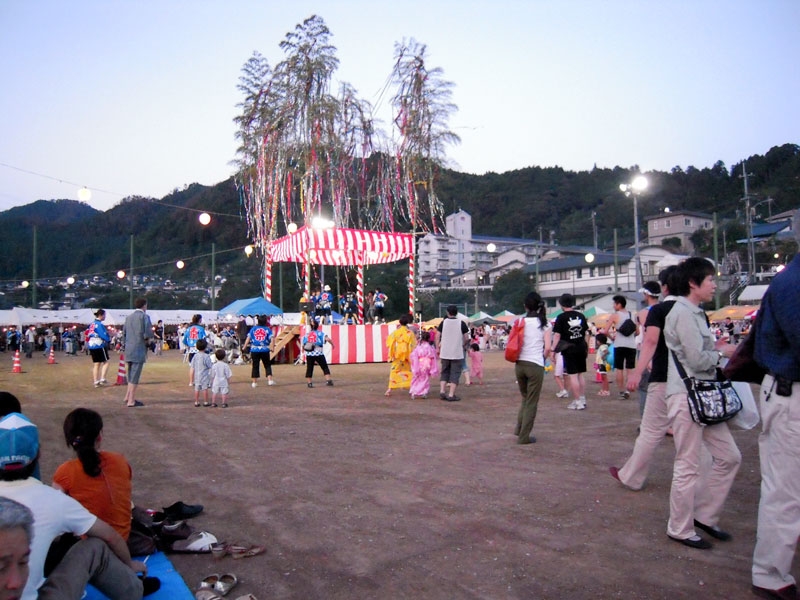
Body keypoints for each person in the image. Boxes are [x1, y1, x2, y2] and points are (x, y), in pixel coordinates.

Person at [0, 413, 154, 600]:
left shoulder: (64, 476)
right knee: (91, 545)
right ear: (37, 454)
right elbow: (110, 536)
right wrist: (128, 564)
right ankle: (133, 589)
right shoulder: (55, 500)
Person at [663, 257, 740, 550]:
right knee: (688, 463)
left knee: (730, 457)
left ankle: (705, 515)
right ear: (693, 283)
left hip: (701, 396)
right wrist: (720, 353)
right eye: (710, 280)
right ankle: (679, 527)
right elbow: (696, 359)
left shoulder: (694, 312)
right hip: (687, 396)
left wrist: (716, 351)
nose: (714, 285)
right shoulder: (683, 314)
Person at [751, 210, 800, 600]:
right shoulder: (793, 283)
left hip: (785, 391)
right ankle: (770, 572)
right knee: (785, 490)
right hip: (789, 394)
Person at [610, 268, 679, 491]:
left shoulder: (655, 312)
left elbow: (649, 342)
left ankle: (632, 476)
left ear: (665, 287)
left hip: (662, 371)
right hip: (689, 378)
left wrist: (639, 371)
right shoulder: (695, 311)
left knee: (649, 430)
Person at [52, 408, 133, 544]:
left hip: (90, 545)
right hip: (124, 539)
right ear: (99, 436)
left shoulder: (65, 471)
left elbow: (55, 511)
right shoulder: (120, 460)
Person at [513, 291, 551, 444]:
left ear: (525, 306)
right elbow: (547, 347)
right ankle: (524, 436)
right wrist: (543, 358)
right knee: (532, 401)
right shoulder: (545, 324)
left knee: (525, 398)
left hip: (520, 364)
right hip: (535, 364)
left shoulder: (520, 321)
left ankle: (519, 429)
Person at [550, 293, 589, 410]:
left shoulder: (561, 317)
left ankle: (577, 402)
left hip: (569, 348)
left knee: (573, 375)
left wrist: (553, 350)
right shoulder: (581, 316)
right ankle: (582, 398)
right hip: (581, 346)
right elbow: (586, 332)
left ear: (561, 304)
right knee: (580, 374)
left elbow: (557, 335)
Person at [123, 297, 153, 408]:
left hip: (129, 348)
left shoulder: (128, 317)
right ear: (144, 305)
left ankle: (127, 396)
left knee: (130, 372)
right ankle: (131, 400)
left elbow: (124, 333)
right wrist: (149, 342)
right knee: (135, 374)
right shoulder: (145, 317)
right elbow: (147, 333)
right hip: (139, 348)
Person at [436, 305, 469, 402]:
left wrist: (438, 347)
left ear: (447, 312)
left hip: (445, 351)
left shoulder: (443, 322)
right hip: (456, 352)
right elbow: (466, 337)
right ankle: (451, 394)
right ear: (457, 313)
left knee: (445, 371)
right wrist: (463, 345)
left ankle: (442, 391)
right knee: (455, 373)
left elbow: (437, 336)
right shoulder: (461, 323)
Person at [608, 295, 638, 399]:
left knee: (619, 368)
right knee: (630, 368)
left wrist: (612, 338)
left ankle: (622, 391)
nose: (613, 306)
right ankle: (629, 388)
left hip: (619, 344)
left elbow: (605, 330)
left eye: (614, 304)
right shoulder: (632, 315)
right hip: (631, 345)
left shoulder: (614, 316)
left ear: (619, 304)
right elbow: (637, 332)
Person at [384, 314, 417, 396]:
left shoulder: (396, 332)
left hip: (398, 353)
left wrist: (392, 352)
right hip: (407, 353)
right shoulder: (410, 333)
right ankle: (412, 388)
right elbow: (413, 344)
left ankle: (389, 389)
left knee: (394, 370)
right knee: (409, 370)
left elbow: (390, 342)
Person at [302, 320, 334, 388]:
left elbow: (303, 344)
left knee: (309, 368)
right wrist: (332, 345)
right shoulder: (320, 333)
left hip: (309, 353)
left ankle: (309, 383)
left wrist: (303, 351)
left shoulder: (307, 334)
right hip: (319, 352)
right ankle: (328, 380)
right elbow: (328, 339)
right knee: (324, 367)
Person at [245, 314, 274, 388]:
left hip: (255, 349)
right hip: (265, 349)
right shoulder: (267, 329)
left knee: (255, 365)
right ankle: (270, 380)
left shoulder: (253, 329)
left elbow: (248, 338)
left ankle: (254, 382)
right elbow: (272, 339)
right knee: (267, 364)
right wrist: (272, 347)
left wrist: (244, 346)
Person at [409, 331, 439, 399]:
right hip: (427, 364)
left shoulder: (418, 348)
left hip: (419, 363)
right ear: (428, 338)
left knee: (416, 378)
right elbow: (433, 357)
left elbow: (413, 356)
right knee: (425, 379)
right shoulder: (430, 348)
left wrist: (414, 365)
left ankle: (414, 391)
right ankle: (424, 392)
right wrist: (433, 368)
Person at [86, 309, 111, 388]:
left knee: (96, 364)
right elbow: (103, 335)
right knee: (106, 362)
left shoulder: (92, 324)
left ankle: (96, 381)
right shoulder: (99, 324)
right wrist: (108, 339)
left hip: (92, 344)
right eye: (104, 315)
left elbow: (88, 333)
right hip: (99, 344)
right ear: (101, 315)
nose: (105, 317)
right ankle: (102, 378)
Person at [183, 314, 207, 386]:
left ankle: (191, 382)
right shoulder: (201, 329)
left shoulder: (188, 329)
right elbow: (204, 339)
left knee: (192, 366)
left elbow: (184, 339)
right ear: (200, 320)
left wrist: (187, 345)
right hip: (199, 349)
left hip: (191, 349)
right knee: (201, 366)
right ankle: (201, 381)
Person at [191, 338, 213, 407]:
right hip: (204, 375)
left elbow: (192, 367)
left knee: (197, 389)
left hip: (197, 375)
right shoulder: (206, 356)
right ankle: (205, 401)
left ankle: (196, 402)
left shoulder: (195, 356)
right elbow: (210, 366)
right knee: (205, 389)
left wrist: (191, 380)